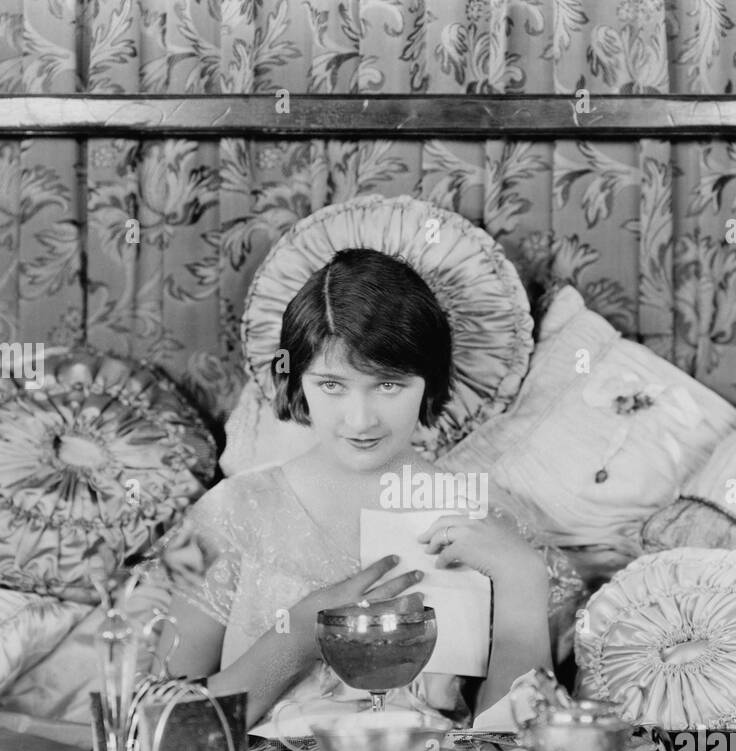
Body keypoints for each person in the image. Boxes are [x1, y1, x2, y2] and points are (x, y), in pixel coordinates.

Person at [160, 247, 578, 725]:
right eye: (332, 386)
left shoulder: (487, 521)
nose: (360, 421)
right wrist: (297, 637)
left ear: (430, 382)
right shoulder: (227, 516)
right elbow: (165, 726)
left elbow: (519, 748)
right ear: (296, 382)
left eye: (388, 385)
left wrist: (521, 579)